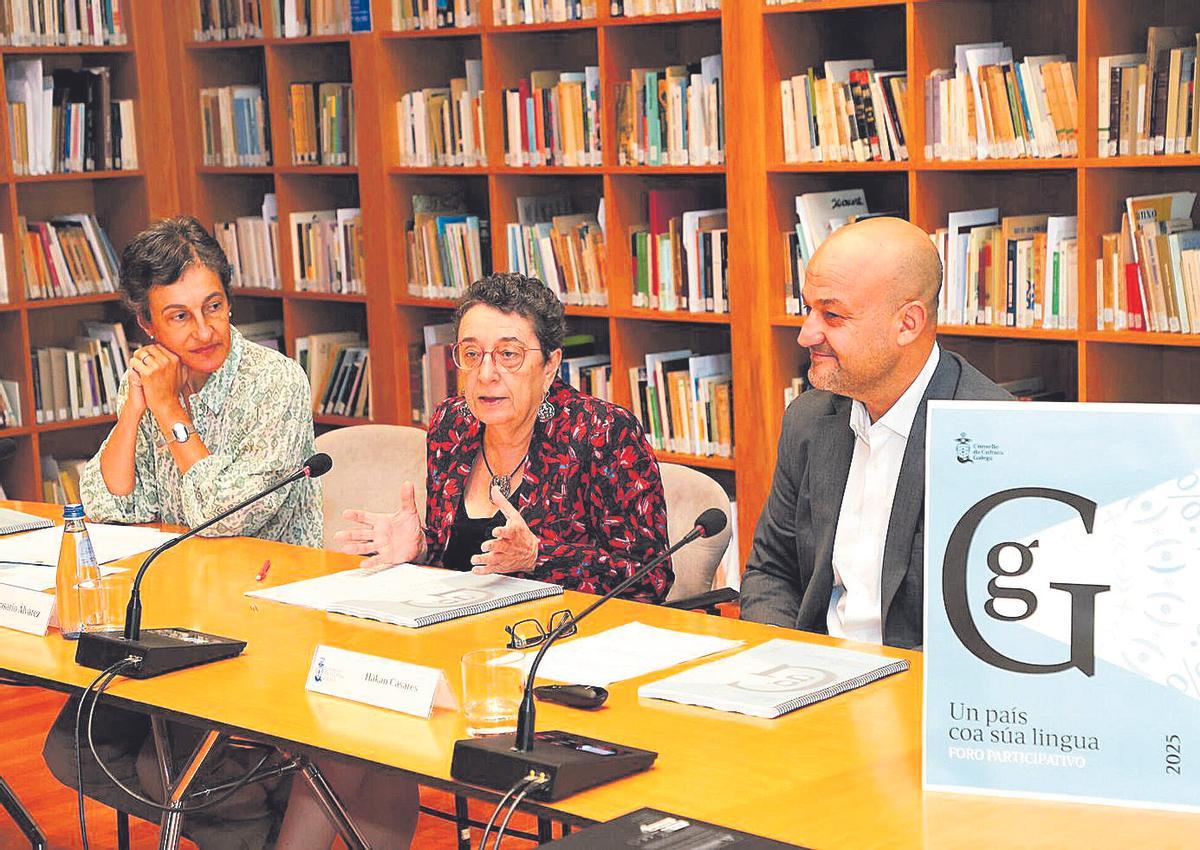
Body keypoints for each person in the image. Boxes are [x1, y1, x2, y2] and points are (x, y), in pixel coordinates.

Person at [276, 271, 673, 850]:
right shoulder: (451, 425)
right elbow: (461, 563)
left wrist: (540, 556)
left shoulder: (602, 434)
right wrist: (416, 549)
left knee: (367, 724)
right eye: (471, 353)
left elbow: (650, 574)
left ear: (552, 363)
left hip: (552, 665)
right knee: (351, 719)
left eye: (509, 355)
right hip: (454, 650)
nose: (487, 374)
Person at [43, 216, 323, 849]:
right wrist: (136, 408)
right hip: (171, 611)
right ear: (147, 325)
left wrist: (168, 411)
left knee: (160, 769)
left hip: (260, 623)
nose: (204, 331)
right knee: (71, 749)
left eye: (214, 306)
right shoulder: (150, 378)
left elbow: (227, 514)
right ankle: (251, 811)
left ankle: (260, 809)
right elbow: (107, 505)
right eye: (178, 317)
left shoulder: (276, 384)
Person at [740, 217, 1011, 649]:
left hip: (916, 693)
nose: (807, 333)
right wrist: (782, 660)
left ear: (908, 323)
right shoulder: (808, 419)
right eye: (807, 308)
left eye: (832, 314)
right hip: (813, 679)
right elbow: (772, 571)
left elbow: (989, 623)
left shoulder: (992, 437)